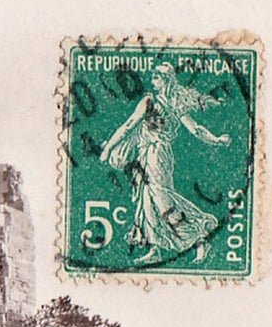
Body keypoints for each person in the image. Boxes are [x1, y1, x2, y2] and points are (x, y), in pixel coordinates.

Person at [98, 61, 232, 265]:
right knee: (147, 201)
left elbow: (129, 126)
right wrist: (217, 140)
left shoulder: (152, 102)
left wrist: (108, 149)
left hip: (156, 156)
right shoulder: (171, 106)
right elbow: (195, 129)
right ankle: (155, 249)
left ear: (166, 80)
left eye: (156, 76)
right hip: (149, 155)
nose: (153, 80)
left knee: (162, 201)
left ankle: (198, 238)